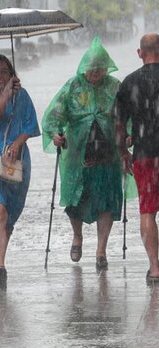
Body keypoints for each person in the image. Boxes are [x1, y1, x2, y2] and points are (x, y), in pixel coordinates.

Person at [42, 37, 123, 271]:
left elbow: (126, 117)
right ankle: (77, 237)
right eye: (91, 68)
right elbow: (54, 115)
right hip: (78, 156)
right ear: (83, 67)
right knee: (75, 201)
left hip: (107, 156)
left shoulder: (114, 87)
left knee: (106, 203)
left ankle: (101, 250)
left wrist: (128, 135)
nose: (95, 73)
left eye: (100, 68)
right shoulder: (73, 87)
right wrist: (56, 134)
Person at [0, 55, 39, 289]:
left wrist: (17, 143)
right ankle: (1, 266)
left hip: (16, 161)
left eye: (4, 71)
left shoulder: (21, 97)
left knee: (8, 216)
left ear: (11, 73)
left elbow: (30, 124)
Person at [115, 32, 159, 284]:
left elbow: (118, 122)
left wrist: (123, 151)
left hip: (145, 156)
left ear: (140, 53)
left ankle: (154, 268)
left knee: (148, 212)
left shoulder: (130, 83)